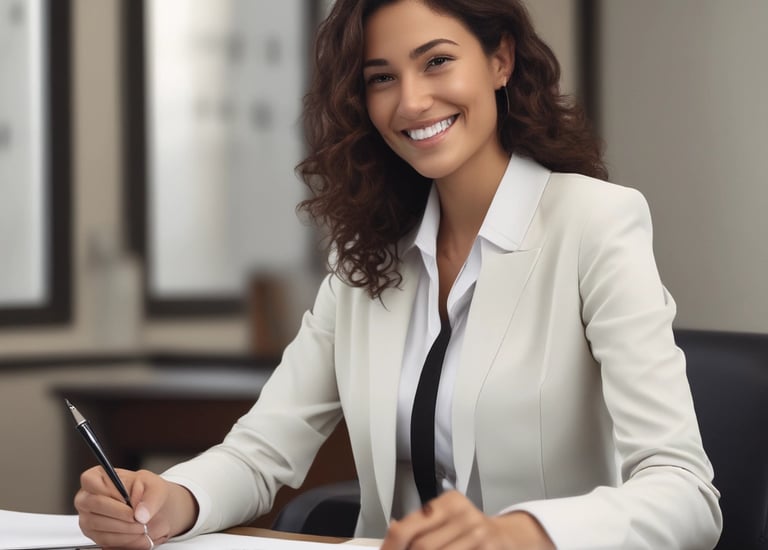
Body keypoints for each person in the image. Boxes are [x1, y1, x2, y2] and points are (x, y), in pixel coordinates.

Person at [75, 1, 723, 548]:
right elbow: (261, 451)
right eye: (381, 77)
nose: (410, 101)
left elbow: (685, 491)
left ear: (500, 60)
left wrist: (518, 533)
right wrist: (170, 499)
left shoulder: (596, 223)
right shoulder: (365, 257)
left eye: (436, 61)